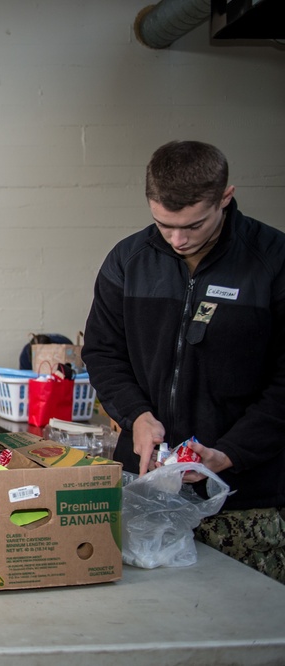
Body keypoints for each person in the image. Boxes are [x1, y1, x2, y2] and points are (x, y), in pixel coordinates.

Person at [83, 140, 285, 584]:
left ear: (225, 197)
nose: (177, 240)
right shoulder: (128, 260)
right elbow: (102, 352)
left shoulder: (272, 260)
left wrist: (231, 453)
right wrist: (135, 415)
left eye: (193, 225)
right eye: (164, 225)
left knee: (249, 628)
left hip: (246, 502)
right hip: (145, 493)